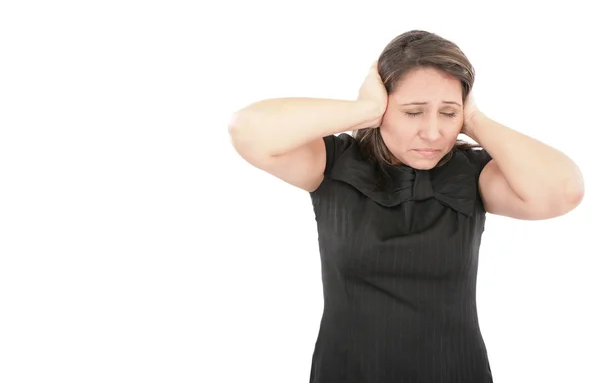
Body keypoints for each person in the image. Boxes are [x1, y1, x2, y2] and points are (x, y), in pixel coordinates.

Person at [227, 30, 585, 382]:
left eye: (448, 113)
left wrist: (474, 119)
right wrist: (364, 110)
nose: (433, 133)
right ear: (384, 107)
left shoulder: (473, 176)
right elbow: (247, 129)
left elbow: (563, 191)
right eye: (413, 112)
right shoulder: (332, 165)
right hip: (349, 371)